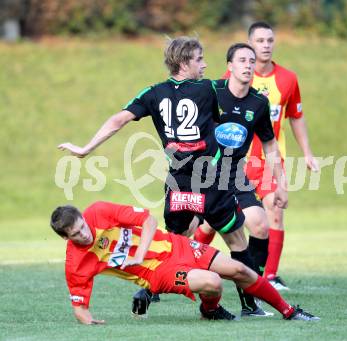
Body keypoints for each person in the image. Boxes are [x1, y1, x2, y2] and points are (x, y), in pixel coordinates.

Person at [58, 37, 281, 316]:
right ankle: (250, 306)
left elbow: (119, 119)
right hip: (210, 179)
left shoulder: (153, 92)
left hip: (177, 183)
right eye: (200, 59)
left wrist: (86, 148)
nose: (205, 64)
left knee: (174, 239)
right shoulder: (208, 87)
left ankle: (149, 290)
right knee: (237, 240)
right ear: (185, 62)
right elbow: (218, 119)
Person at [50, 201, 319, 324]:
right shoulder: (75, 262)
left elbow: (149, 220)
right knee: (213, 282)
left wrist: (140, 251)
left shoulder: (98, 211)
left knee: (239, 270)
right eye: (76, 234)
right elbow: (79, 307)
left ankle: (289, 312)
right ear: (66, 237)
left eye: (83, 226)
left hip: (176, 245)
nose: (85, 233)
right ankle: (211, 308)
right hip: (158, 273)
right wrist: (90, 321)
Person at [195, 22, 318, 290]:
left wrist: (307, 153)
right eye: (259, 41)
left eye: (269, 40)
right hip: (230, 165)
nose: (265, 46)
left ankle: (267, 278)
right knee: (211, 224)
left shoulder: (286, 80)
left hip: (268, 161)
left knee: (270, 216)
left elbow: (295, 116)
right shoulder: (224, 85)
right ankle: (188, 263)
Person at [193, 43, 287, 314]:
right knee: (196, 228)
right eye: (242, 60)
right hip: (203, 171)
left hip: (234, 173)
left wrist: (279, 183)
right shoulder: (212, 91)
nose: (248, 65)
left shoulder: (258, 102)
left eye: (251, 61)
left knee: (259, 225)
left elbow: (269, 144)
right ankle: (157, 284)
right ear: (230, 66)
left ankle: (253, 292)